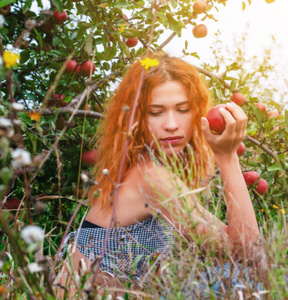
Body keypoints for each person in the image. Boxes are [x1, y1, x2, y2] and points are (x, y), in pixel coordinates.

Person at [55, 52, 266, 298]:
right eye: (156, 112)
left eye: (183, 109)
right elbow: (247, 252)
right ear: (134, 119)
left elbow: (238, 244)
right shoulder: (150, 178)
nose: (171, 124)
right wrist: (228, 158)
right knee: (254, 284)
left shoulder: (143, 168)